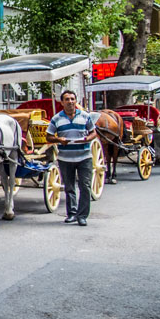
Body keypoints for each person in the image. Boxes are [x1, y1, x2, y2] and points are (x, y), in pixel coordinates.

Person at [45, 90, 97, 226]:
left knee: (85, 186)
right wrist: (58, 139)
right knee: (69, 187)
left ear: (76, 101)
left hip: (84, 157)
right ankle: (72, 213)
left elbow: (93, 133)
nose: (70, 102)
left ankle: (82, 216)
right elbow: (48, 136)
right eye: (67, 99)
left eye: (72, 99)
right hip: (65, 158)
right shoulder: (56, 119)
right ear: (62, 102)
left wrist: (87, 139)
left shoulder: (85, 117)